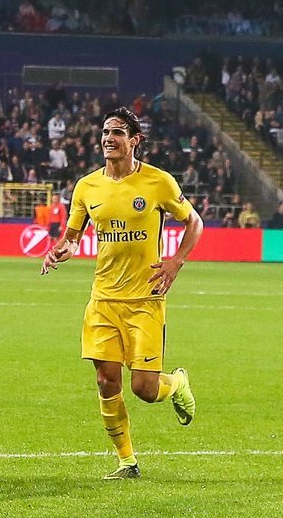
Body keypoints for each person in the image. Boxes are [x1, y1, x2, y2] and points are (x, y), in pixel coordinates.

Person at [41, 107, 203, 480]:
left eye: (117, 132)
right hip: (103, 300)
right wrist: (59, 250)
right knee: (105, 380)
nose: (108, 138)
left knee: (145, 388)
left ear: (135, 140)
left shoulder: (158, 182)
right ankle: (126, 461)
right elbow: (73, 238)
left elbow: (193, 221)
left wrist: (176, 261)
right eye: (105, 132)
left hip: (145, 300)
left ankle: (176, 382)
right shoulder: (86, 187)